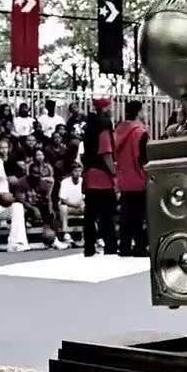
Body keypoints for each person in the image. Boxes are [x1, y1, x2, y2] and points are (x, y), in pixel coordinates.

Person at [81, 97, 118, 257]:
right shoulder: (104, 125)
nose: (112, 109)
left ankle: (89, 247)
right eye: (110, 106)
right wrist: (114, 172)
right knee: (107, 214)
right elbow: (105, 152)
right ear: (104, 108)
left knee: (90, 214)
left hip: (90, 174)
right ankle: (110, 246)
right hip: (102, 176)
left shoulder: (89, 125)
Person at [113, 99, 149, 257]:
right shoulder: (140, 131)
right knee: (139, 216)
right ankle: (140, 247)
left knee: (126, 215)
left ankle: (125, 246)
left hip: (124, 178)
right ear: (139, 112)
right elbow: (142, 157)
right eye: (144, 110)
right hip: (138, 177)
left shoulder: (119, 130)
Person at [58, 163, 85, 244]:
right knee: (63, 208)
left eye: (80, 171)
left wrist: (81, 204)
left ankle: (88, 235)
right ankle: (66, 234)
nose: (78, 173)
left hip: (80, 206)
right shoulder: (65, 182)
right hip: (68, 206)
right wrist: (74, 205)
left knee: (89, 207)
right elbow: (63, 199)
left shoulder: (83, 181)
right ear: (71, 172)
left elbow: (85, 196)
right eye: (75, 171)